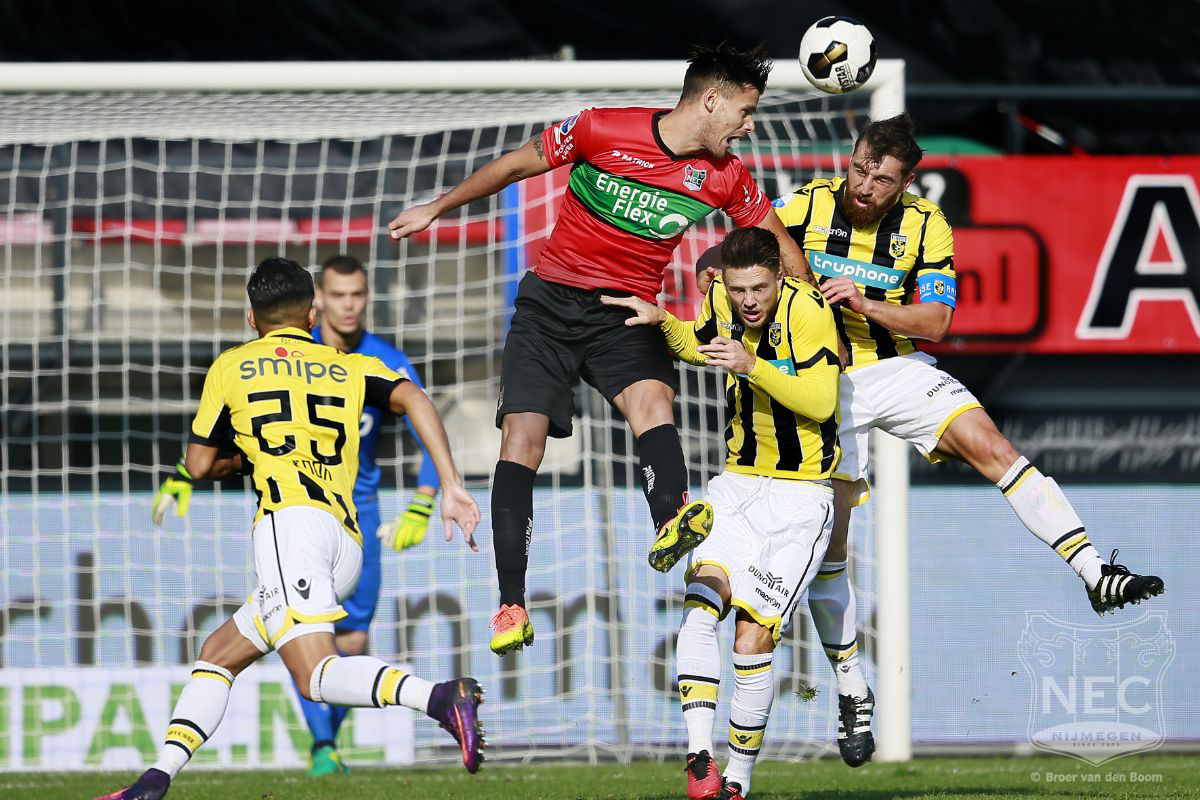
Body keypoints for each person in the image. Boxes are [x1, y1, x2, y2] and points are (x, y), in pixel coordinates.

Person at [387, 43, 812, 656]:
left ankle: (671, 520)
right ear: (711, 100)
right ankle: (510, 604)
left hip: (625, 311)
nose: (749, 125)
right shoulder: (600, 128)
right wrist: (437, 207)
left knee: (654, 401)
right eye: (745, 111)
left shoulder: (727, 176)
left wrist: (812, 313)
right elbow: (514, 166)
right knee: (521, 440)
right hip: (550, 306)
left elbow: (779, 248)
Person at [768, 113, 1165, 768]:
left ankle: (1095, 573)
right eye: (860, 168)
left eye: (881, 179)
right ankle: (852, 689)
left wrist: (865, 305)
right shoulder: (803, 207)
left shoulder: (927, 225)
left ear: (905, 184)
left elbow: (936, 321)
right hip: (821, 386)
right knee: (832, 543)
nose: (864, 185)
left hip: (895, 369)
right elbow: (748, 241)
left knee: (993, 446)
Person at [98, 258, 484, 800]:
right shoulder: (350, 365)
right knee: (218, 652)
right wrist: (449, 485)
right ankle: (154, 780)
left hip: (290, 527)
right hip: (345, 539)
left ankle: (440, 698)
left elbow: (201, 463)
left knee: (315, 676)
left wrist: (229, 463)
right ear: (311, 314)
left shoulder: (232, 366)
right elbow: (416, 397)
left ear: (251, 319)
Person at [602, 227, 840, 800]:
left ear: (779, 276)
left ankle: (739, 779)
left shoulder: (809, 311)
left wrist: (752, 365)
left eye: (758, 288)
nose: (748, 301)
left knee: (751, 639)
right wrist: (663, 321)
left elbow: (822, 400)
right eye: (738, 290)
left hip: (801, 499)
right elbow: (699, 344)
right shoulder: (721, 299)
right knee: (700, 605)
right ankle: (700, 757)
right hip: (736, 487)